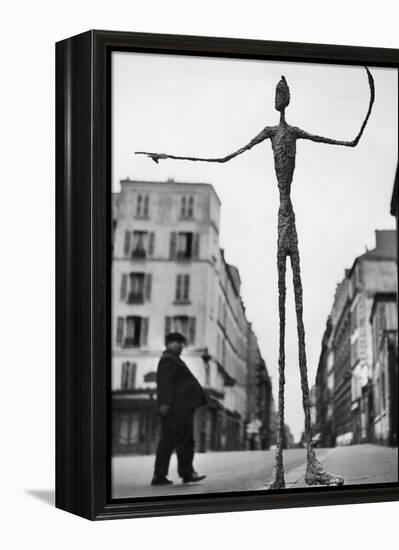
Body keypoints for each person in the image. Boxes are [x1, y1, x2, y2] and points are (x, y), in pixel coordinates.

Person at [137, 68, 374, 488]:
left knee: (298, 334)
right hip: (282, 222)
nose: (280, 95)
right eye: (277, 91)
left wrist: (369, 104)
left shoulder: (293, 130)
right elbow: (224, 157)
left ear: (289, 97)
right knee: (285, 336)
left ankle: (309, 464)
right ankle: (282, 471)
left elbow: (350, 141)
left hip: (291, 223)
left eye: (284, 91)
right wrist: (170, 157)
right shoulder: (269, 131)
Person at [151, 332, 208, 486]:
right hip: (178, 408)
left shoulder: (172, 359)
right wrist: (165, 403)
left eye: (182, 343)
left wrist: (165, 404)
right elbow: (165, 382)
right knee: (184, 440)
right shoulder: (169, 359)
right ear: (169, 343)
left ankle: (160, 476)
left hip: (176, 407)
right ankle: (187, 473)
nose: (182, 345)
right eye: (178, 342)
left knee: (168, 441)